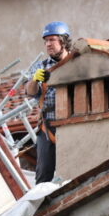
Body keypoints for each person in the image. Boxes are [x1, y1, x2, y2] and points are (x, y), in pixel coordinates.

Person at [25, 21, 73, 183]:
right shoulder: (41, 67)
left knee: (73, 171)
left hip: (73, 122)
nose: (48, 44)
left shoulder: (76, 63)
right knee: (44, 175)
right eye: (46, 41)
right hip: (48, 126)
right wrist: (34, 79)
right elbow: (30, 92)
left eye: (52, 40)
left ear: (64, 41)